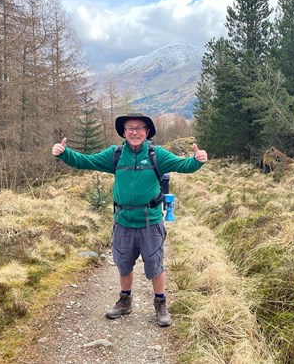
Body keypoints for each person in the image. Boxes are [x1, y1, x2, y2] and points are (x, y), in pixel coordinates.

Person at [51, 113, 208, 326]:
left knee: (155, 264)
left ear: (147, 132)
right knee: (123, 264)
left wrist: (197, 161)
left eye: (139, 128)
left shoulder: (157, 155)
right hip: (123, 221)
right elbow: (86, 161)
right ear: (124, 133)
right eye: (130, 128)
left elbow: (184, 165)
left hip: (150, 222)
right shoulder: (115, 155)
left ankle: (160, 304)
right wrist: (64, 154)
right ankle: (125, 301)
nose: (135, 132)